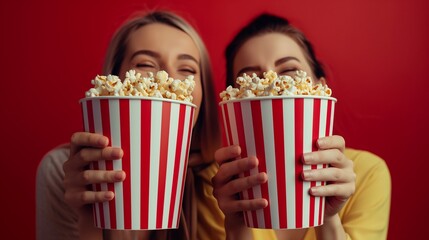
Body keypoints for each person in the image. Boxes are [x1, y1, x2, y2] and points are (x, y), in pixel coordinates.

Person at [36, 10, 225, 240]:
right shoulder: (67, 173)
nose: (167, 78)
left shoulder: (216, 183)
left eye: (187, 69)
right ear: (113, 80)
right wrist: (91, 221)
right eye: (145, 64)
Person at [211, 13, 391, 240]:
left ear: (320, 87)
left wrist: (328, 218)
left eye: (288, 72)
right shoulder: (219, 186)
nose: (273, 83)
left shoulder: (367, 172)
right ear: (232, 99)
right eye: (251, 80)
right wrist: (237, 227)